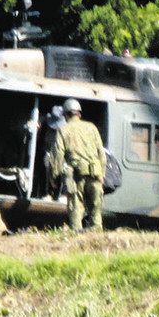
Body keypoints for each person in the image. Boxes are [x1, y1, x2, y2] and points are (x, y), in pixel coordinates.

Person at [48, 98, 105, 231]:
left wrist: (54, 178)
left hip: (75, 176)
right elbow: (101, 154)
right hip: (95, 173)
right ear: (79, 113)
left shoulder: (63, 130)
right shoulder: (92, 128)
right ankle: (96, 236)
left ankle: (76, 236)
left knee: (75, 207)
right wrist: (102, 174)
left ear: (66, 115)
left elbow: (57, 156)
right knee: (96, 209)